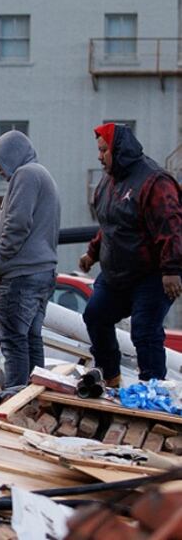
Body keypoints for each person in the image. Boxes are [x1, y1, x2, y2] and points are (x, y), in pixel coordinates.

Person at [79, 123, 182, 385]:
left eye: (104, 150)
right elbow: (111, 226)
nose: (99, 156)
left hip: (152, 275)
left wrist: (171, 270)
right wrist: (92, 253)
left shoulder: (154, 181)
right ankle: (109, 377)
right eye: (98, 150)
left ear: (118, 149)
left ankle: (153, 391)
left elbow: (171, 226)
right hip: (117, 275)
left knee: (145, 331)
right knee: (95, 315)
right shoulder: (108, 183)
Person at [0, 130, 61, 389]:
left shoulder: (26, 175)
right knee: (31, 339)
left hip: (22, 274)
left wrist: (0, 258)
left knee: (13, 341)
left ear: (13, 157)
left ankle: (13, 400)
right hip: (41, 272)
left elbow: (16, 224)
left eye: (0, 162)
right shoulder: (42, 174)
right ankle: (33, 398)